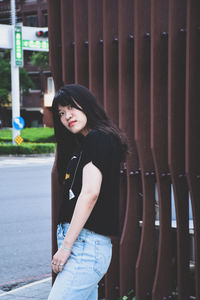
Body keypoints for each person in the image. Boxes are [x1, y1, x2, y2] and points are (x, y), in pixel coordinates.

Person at [48, 84, 128, 300]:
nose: (67, 116)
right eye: (62, 113)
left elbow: (90, 193)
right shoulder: (85, 144)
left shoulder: (98, 139)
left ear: (86, 105)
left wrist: (65, 247)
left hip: (84, 246)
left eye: (71, 107)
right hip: (83, 245)